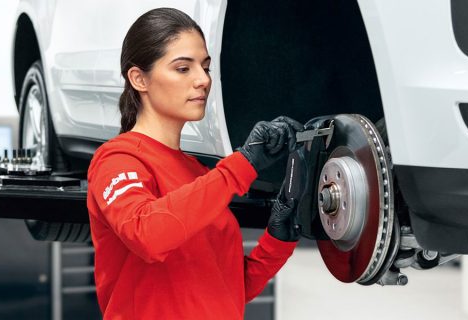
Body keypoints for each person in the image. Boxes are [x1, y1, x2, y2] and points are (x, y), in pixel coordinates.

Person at [86, 8, 305, 319]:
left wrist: (277, 239)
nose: (203, 80)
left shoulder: (199, 175)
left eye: (205, 67)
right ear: (139, 79)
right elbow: (147, 234)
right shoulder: (118, 160)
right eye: (183, 68)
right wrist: (241, 165)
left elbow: (226, 289)